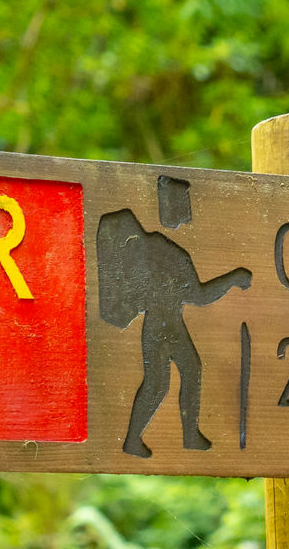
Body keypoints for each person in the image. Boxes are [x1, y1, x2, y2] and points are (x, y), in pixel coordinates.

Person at [96, 177, 251, 457]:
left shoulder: (169, 251)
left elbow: (197, 295)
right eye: (181, 204)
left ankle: (187, 435)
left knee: (188, 372)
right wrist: (233, 279)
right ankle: (134, 439)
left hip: (172, 325)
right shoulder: (155, 249)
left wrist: (232, 279)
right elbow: (198, 295)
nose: (185, 212)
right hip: (158, 327)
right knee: (158, 385)